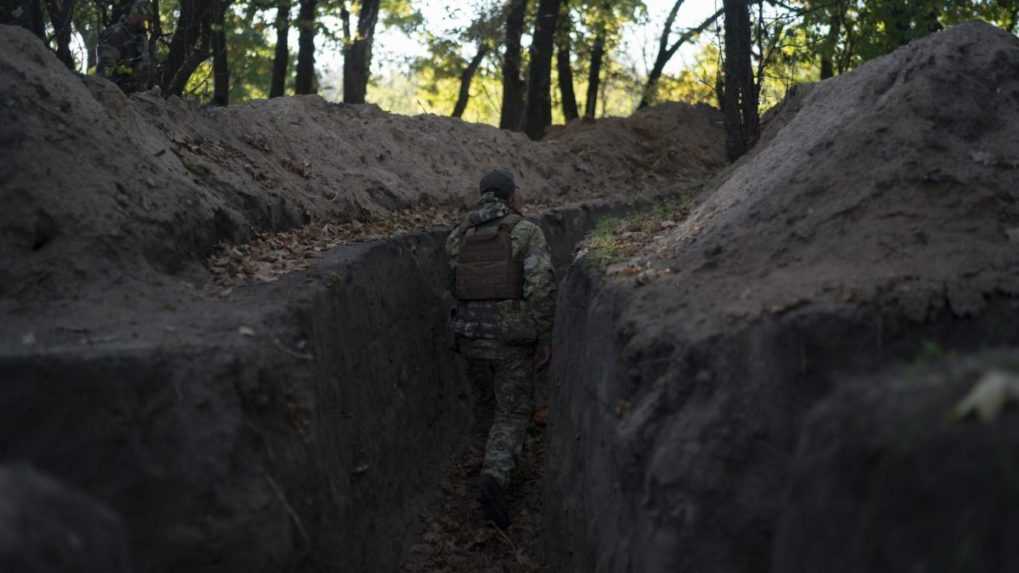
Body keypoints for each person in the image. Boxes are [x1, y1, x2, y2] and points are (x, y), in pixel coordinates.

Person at [446, 168, 556, 529]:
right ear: (510, 196)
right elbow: (540, 289)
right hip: (510, 338)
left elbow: (453, 284)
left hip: (469, 337)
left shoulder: (458, 236)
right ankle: (495, 476)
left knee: (485, 405)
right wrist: (541, 335)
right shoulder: (526, 231)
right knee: (511, 412)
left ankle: (484, 463)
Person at [96, 0, 152, 94]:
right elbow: (106, 69)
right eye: (143, 19)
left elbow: (144, 64)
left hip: (136, 95)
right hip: (113, 92)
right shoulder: (115, 33)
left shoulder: (140, 36)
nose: (144, 24)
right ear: (135, 15)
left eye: (146, 20)